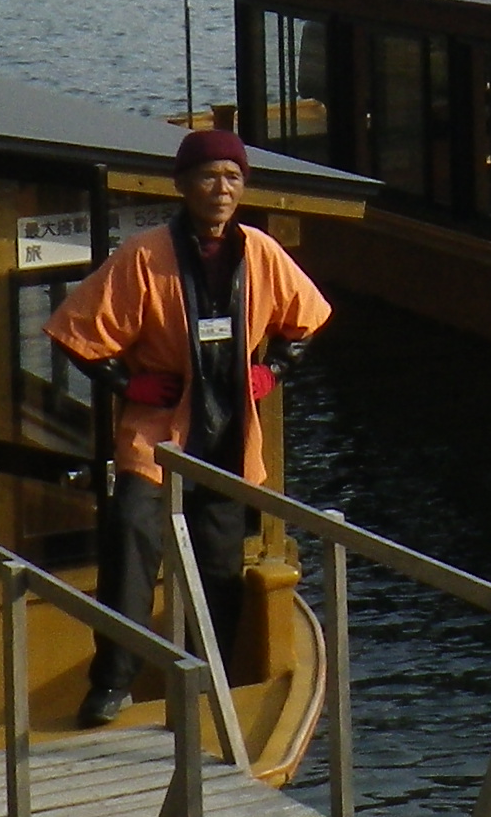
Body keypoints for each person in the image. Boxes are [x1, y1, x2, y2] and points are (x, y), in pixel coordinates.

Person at [46, 126, 331, 725]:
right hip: (157, 436)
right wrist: (129, 385)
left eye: (233, 177)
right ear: (182, 185)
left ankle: (209, 676)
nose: (222, 189)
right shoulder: (144, 255)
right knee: (131, 540)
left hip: (229, 436)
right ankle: (112, 682)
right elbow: (76, 331)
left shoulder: (260, 252)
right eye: (208, 176)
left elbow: (306, 320)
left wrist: (272, 370)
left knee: (220, 565)